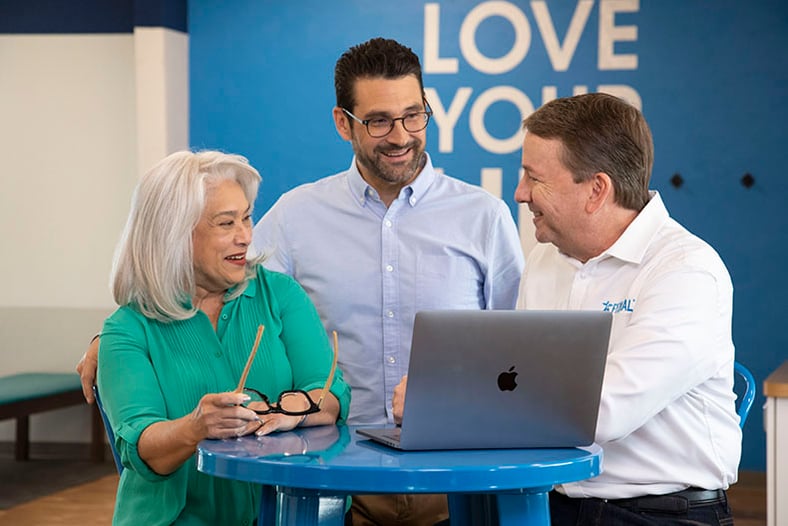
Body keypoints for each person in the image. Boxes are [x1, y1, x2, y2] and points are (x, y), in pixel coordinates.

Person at [78, 37, 524, 525]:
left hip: (456, 484)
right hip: (336, 492)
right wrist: (115, 338)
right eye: (378, 121)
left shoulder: (484, 216)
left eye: (414, 115)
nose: (400, 135)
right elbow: (211, 278)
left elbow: (514, 349)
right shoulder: (296, 216)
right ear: (343, 123)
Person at [514, 93, 741, 525]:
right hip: (552, 505)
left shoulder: (687, 271)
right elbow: (519, 379)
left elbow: (600, 411)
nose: (520, 193)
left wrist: (462, 407)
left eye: (533, 177)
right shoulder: (545, 259)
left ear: (597, 190)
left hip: (662, 514)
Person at [97, 150, 350, 525]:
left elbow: (332, 394)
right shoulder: (127, 328)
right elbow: (143, 447)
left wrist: (293, 411)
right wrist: (195, 427)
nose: (245, 236)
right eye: (226, 223)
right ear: (175, 233)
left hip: (289, 513)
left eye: (246, 218)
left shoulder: (280, 294)